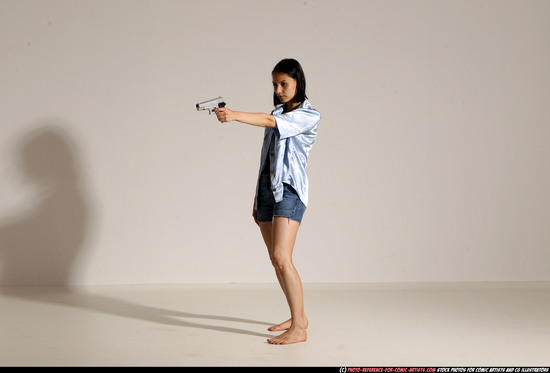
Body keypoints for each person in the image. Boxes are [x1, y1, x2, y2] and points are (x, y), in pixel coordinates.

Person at [213, 58, 321, 345]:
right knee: (276, 260)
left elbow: (271, 121)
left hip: (289, 189)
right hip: (266, 189)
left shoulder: (309, 116)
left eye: (284, 83)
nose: (279, 89)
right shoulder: (277, 111)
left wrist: (234, 115)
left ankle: (299, 328)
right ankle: (298, 316)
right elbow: (267, 157)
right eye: (275, 84)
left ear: (299, 82)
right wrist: (255, 196)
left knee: (281, 257)